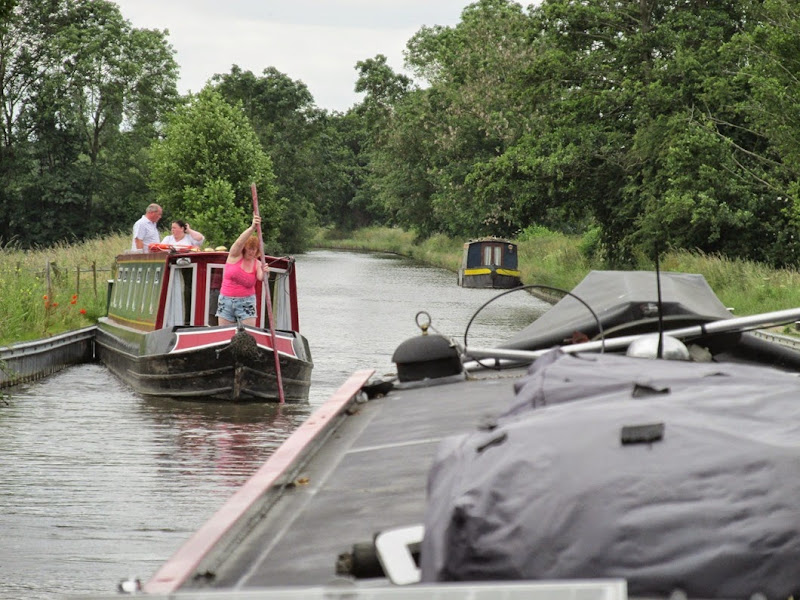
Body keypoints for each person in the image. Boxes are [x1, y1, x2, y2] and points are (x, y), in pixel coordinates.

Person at [215, 214, 270, 327]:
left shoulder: (258, 263)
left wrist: (266, 272)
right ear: (245, 248)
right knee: (224, 333)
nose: (252, 252)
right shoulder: (234, 256)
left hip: (246, 302)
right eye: (250, 249)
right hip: (226, 301)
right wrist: (252, 228)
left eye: (255, 249)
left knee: (248, 333)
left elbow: (262, 278)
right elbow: (239, 242)